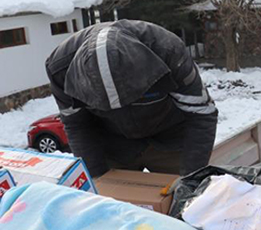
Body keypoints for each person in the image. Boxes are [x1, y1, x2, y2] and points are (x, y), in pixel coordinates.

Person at [46, 19, 218, 177]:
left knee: (185, 201)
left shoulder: (168, 51)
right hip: (113, 144)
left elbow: (201, 114)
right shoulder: (59, 70)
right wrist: (97, 178)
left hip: (169, 138)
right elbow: (77, 125)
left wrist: (191, 177)